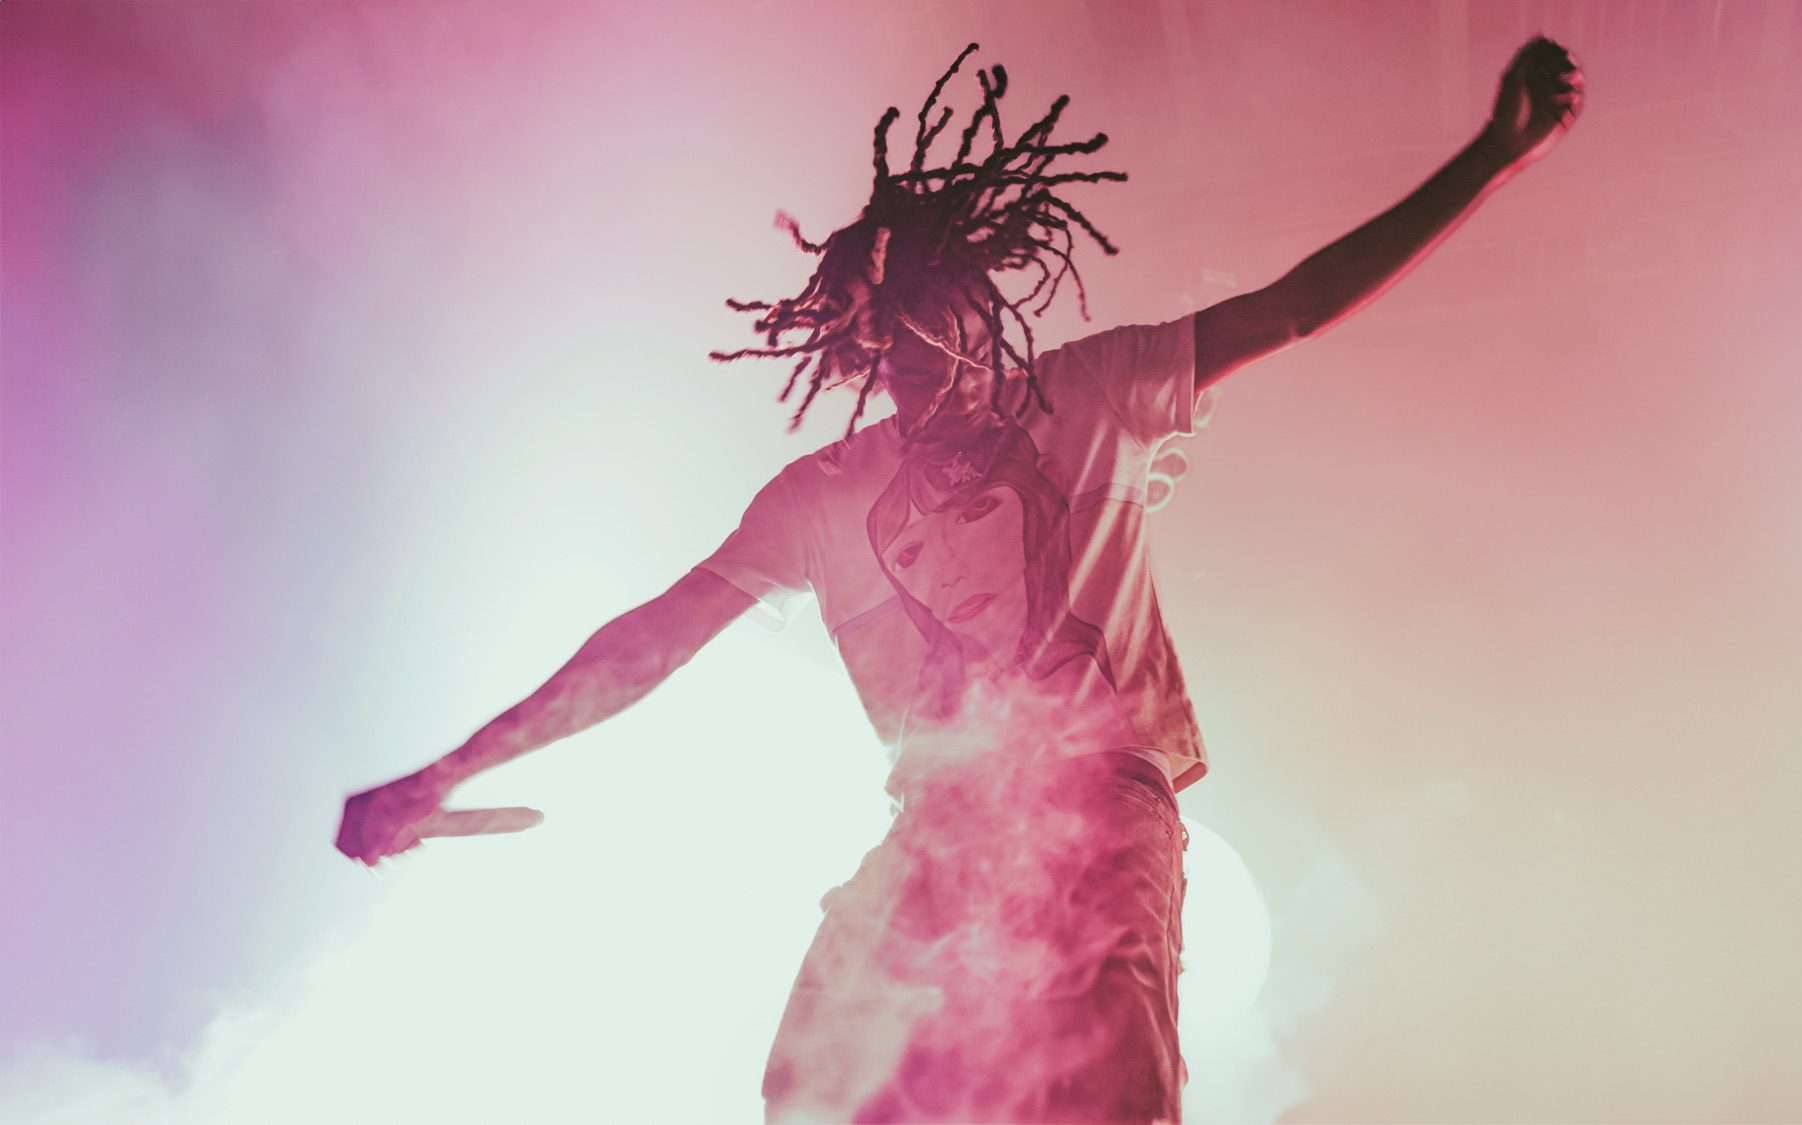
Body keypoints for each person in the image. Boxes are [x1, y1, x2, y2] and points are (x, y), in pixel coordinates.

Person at [337, 36, 1583, 1123]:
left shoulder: (1092, 392)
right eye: (901, 355)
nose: (931, 377)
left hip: (1101, 804)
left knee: (1098, 1071)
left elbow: (1293, 306)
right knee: (818, 1082)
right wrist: (445, 772)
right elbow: (650, 642)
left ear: (993, 317)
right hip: (938, 825)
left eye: (950, 339)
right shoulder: (828, 498)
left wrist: (1489, 157)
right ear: (870, 355)